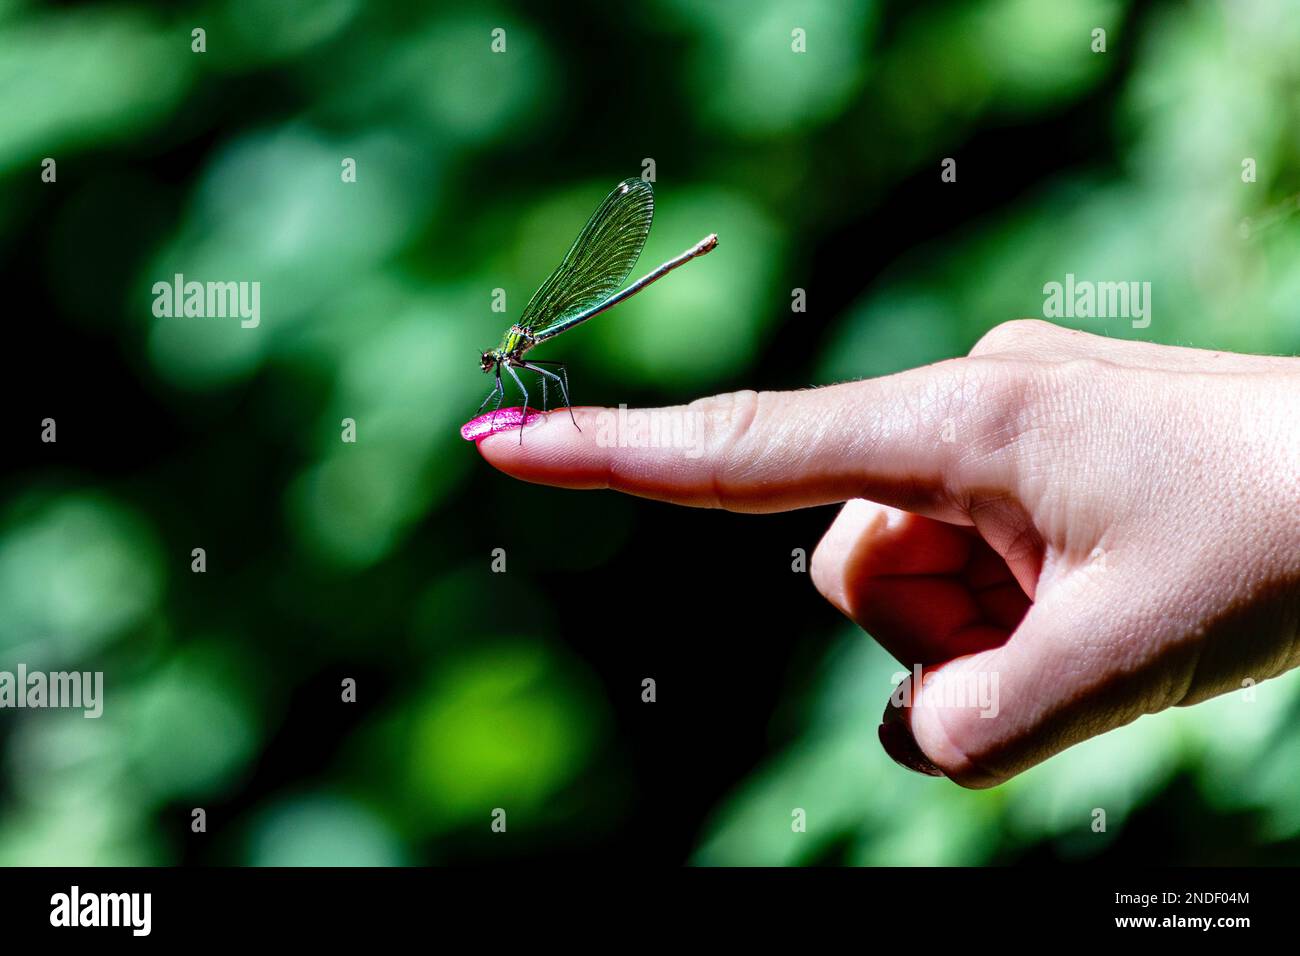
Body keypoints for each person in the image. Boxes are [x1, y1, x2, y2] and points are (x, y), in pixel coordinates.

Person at [466, 319, 1300, 788]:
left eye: (503, 362)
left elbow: (548, 391)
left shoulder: (530, 357)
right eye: (502, 366)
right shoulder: (512, 357)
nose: (504, 368)